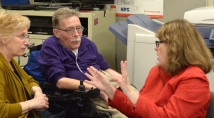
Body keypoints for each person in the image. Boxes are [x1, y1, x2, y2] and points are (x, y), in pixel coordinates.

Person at [84, 19, 212, 118]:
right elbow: (139, 112)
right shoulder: (157, 71)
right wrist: (109, 90)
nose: (155, 48)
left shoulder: (194, 80)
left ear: (175, 47)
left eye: (159, 43)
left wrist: (130, 92)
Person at [37, 7, 127, 118]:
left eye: (79, 28)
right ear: (57, 33)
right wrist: (95, 89)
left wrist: (124, 82)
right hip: (86, 93)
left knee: (139, 104)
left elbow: (105, 68)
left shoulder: (87, 43)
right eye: (69, 30)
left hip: (105, 82)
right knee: (122, 114)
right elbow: (60, 81)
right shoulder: (50, 47)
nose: (76, 34)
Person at [0, 12, 49, 118]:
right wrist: (33, 103)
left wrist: (37, 93)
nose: (27, 42)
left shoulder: (8, 60)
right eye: (22, 36)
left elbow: (29, 80)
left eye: (26, 36)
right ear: (3, 38)